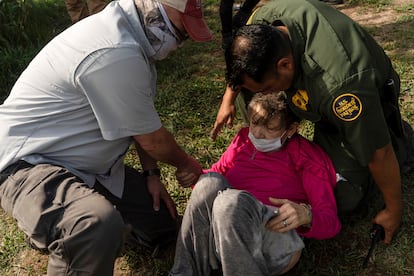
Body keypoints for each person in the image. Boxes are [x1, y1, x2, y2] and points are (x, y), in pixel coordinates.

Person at [0, 0, 212, 274]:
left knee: (163, 225)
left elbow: (141, 118)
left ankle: (58, 218)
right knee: (93, 224)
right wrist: (186, 164)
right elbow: (152, 139)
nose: (178, 45)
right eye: (181, 33)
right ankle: (54, 224)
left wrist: (151, 174)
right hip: (28, 164)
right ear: (156, 8)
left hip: (84, 166)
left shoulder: (134, 41)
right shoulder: (115, 51)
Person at [211, 0, 410, 244]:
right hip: (308, 86)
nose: (264, 97)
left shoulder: (342, 87)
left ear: (285, 65)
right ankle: (279, 156)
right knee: (252, 99)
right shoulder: (262, 23)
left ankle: (399, 138)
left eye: (266, 88)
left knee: (344, 196)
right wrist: (228, 98)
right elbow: (242, 60)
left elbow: (378, 154)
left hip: (355, 98)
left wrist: (393, 210)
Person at [170, 91, 341, 276]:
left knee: (229, 201)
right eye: (255, 123)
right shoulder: (244, 140)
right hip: (224, 231)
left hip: (269, 241)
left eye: (270, 128)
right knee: (208, 183)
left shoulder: (307, 158)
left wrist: (307, 215)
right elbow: (214, 178)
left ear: (291, 129)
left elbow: (330, 221)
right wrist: (195, 177)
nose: (258, 133)